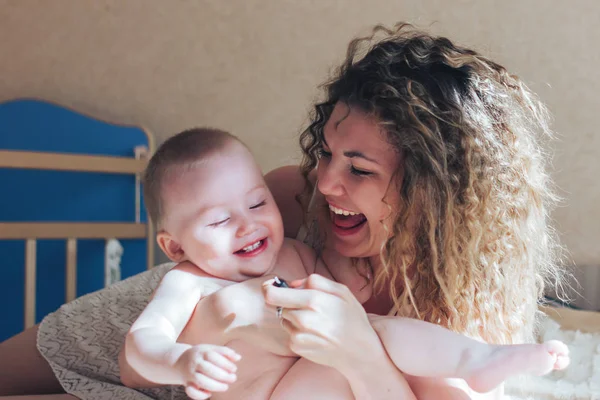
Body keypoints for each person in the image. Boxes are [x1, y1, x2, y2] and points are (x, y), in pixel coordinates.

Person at [0, 22, 567, 400]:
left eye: (360, 170)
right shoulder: (290, 199)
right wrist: (220, 317)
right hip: (128, 328)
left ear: (435, 192)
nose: (325, 181)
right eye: (326, 152)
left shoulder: (463, 288)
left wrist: (358, 352)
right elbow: (136, 358)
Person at [120, 127, 568, 400]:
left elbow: (348, 325)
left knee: (373, 332)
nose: (247, 226)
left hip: (316, 384)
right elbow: (141, 342)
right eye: (220, 220)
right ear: (174, 247)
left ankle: (478, 360)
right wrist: (179, 362)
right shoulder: (189, 282)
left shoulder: (294, 253)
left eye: (257, 203)